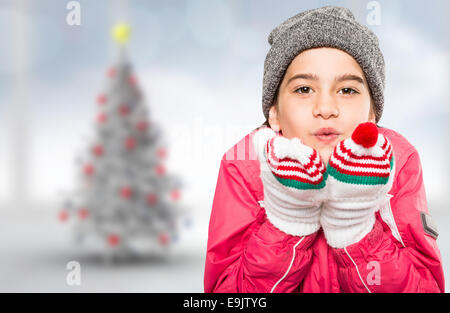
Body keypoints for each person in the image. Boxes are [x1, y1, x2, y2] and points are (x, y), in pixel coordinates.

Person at [203, 6, 445, 293]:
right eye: (304, 89)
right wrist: (287, 222)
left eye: (347, 90)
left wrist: (356, 229)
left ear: (372, 115)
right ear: (274, 114)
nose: (326, 109)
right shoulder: (246, 168)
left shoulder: (397, 163)